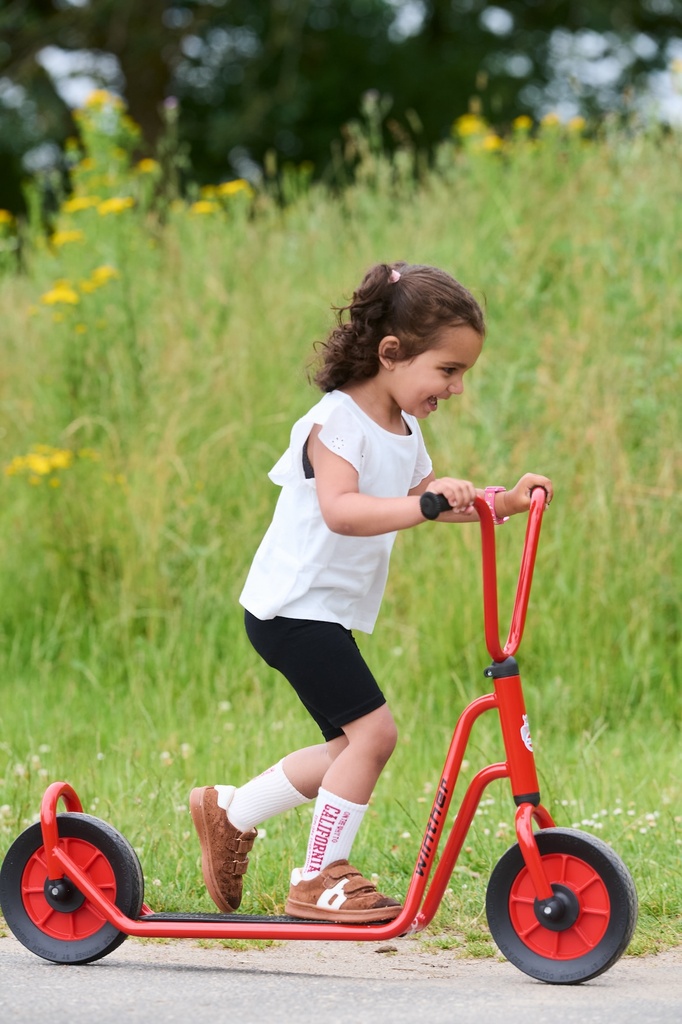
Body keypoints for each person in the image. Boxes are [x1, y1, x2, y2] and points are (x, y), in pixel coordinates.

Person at [190, 261, 553, 923]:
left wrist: (501, 502)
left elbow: (425, 500)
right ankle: (318, 877)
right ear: (392, 353)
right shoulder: (337, 424)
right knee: (373, 737)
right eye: (448, 370)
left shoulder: (405, 431)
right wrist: (425, 506)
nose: (458, 388)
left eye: (463, 373)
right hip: (291, 609)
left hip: (323, 612)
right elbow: (343, 510)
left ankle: (231, 811)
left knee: (345, 749)